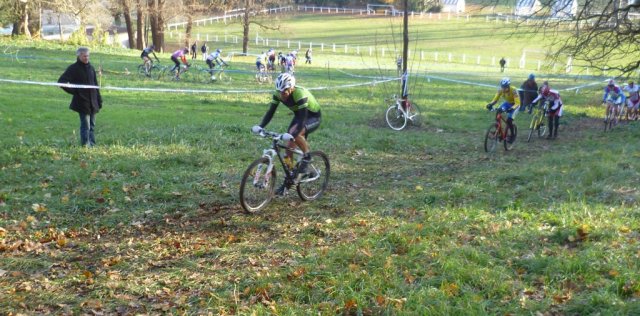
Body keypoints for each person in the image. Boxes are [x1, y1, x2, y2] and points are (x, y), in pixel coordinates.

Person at [251, 73, 322, 196]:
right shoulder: (278, 93)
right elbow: (270, 112)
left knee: (296, 135)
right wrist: (261, 126)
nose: (282, 95)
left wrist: (293, 134)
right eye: (280, 91)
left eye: (285, 92)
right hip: (299, 116)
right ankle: (289, 180)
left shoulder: (300, 94)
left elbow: (303, 117)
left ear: (292, 88)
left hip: (312, 117)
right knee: (288, 149)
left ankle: (307, 157)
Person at [58, 47, 103, 147]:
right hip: (82, 102)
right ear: (79, 56)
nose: (86, 58)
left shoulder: (91, 68)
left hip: (93, 102)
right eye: (84, 56)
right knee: (85, 125)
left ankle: (92, 144)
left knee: (92, 126)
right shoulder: (73, 68)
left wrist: (99, 100)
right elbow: (61, 82)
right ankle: (85, 145)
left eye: (88, 56)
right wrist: (75, 92)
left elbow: (95, 86)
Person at [486, 77, 521, 143]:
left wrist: (512, 108)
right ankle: (498, 131)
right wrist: (490, 104)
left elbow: (517, 103)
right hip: (507, 103)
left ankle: (512, 136)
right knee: (498, 112)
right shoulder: (500, 90)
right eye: (502, 87)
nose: (504, 89)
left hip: (515, 105)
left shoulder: (513, 90)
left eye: (505, 87)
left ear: (508, 86)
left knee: (509, 120)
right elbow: (495, 100)